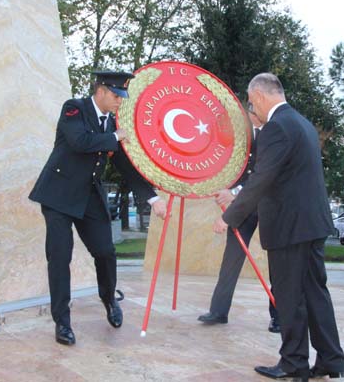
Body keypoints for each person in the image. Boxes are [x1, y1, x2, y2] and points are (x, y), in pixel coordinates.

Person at [214, 73, 344, 381]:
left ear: (259, 96)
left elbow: (262, 179)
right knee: (316, 293)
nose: (253, 109)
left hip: (289, 227)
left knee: (289, 297)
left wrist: (229, 216)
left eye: (252, 102)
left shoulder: (276, 127)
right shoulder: (302, 123)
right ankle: (331, 359)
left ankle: (293, 363)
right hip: (312, 224)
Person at [29, 70, 167, 346]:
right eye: (116, 95)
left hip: (89, 195)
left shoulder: (112, 124)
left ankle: (109, 299)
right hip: (58, 195)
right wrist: (115, 136)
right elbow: (79, 142)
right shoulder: (74, 109)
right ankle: (62, 322)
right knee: (60, 258)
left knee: (105, 251)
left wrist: (152, 199)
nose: (119, 101)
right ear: (101, 91)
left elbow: (125, 166)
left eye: (122, 97)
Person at [198, 111, 280, 333]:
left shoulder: (275, 131)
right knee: (231, 257)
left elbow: (265, 175)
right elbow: (236, 169)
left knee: (276, 261)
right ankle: (219, 311)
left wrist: (235, 192)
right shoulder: (241, 136)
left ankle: (278, 316)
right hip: (244, 206)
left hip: (269, 204)